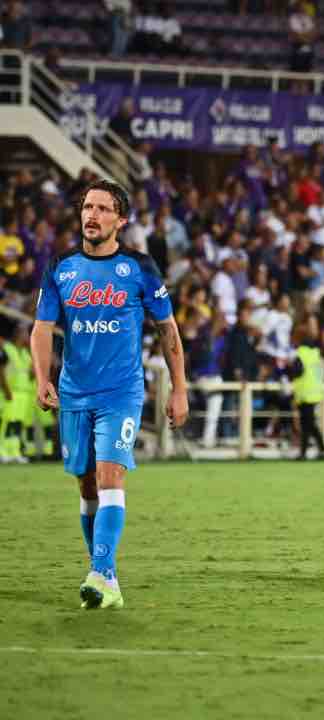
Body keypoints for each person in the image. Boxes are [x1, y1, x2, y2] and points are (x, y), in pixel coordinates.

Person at [32, 179, 189, 609]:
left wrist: (179, 388)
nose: (91, 215)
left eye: (102, 208)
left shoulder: (139, 268)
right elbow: (41, 328)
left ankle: (100, 572)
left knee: (109, 476)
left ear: (120, 220)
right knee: (86, 487)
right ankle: (108, 578)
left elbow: (168, 329)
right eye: (87, 207)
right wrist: (42, 376)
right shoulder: (61, 267)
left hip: (121, 392)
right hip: (74, 393)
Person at [291, 324, 324, 461]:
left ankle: (305, 452)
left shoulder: (300, 354)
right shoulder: (315, 353)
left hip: (305, 393)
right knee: (310, 424)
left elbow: (297, 372)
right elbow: (322, 371)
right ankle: (321, 450)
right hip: (315, 391)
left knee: (307, 424)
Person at [0, 323, 36, 462]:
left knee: (17, 424)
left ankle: (14, 452)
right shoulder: (7, 349)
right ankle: (3, 451)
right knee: (6, 422)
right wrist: (6, 389)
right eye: (25, 333)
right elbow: (2, 370)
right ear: (18, 334)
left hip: (24, 394)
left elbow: (30, 375)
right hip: (10, 392)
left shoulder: (26, 353)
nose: (27, 336)